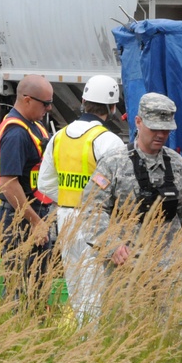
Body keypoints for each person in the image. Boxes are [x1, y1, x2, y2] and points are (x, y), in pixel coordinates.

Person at [38, 74, 127, 322]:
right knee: (97, 289)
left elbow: (44, 183)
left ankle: (81, 340)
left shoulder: (58, 137)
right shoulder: (108, 140)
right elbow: (122, 189)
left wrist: (70, 199)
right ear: (111, 107)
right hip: (96, 222)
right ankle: (93, 347)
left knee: (76, 287)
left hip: (65, 218)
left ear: (83, 101)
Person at [79, 92, 182, 274]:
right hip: (127, 269)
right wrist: (111, 245)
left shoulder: (177, 163)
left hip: (171, 269)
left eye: (166, 130)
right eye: (154, 128)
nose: (161, 135)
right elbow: (92, 210)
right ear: (138, 122)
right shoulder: (113, 163)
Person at [0, 74, 55, 300]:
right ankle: (17, 328)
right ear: (27, 99)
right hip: (21, 220)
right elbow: (8, 184)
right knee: (21, 288)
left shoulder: (33, 126)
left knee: (35, 285)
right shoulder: (16, 134)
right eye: (45, 103)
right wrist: (36, 222)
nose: (49, 108)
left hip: (31, 216)